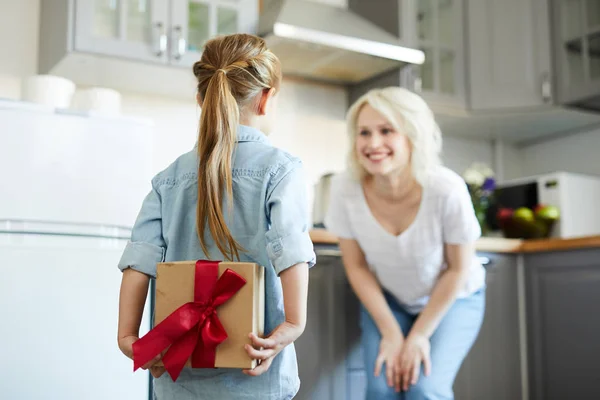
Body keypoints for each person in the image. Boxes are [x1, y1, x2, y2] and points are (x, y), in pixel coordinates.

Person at [116, 33, 315, 400]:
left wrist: (128, 337)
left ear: (200, 99)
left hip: (179, 383)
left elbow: (139, 259)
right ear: (267, 98)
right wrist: (292, 325)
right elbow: (291, 247)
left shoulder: (168, 179)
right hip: (256, 381)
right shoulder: (281, 170)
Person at [325, 87, 485, 400]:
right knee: (381, 389)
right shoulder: (345, 188)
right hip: (391, 300)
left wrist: (419, 336)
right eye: (364, 133)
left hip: (455, 299)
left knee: (424, 389)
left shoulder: (446, 189)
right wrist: (390, 332)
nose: (373, 144)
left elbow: (457, 268)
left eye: (387, 131)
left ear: (413, 135)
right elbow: (356, 266)